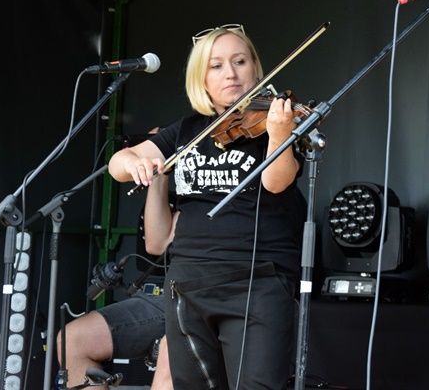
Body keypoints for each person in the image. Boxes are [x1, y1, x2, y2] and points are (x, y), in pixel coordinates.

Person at [108, 24, 305, 390]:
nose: (230, 73)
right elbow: (119, 163)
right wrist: (132, 162)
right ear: (201, 79)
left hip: (257, 281)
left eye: (239, 61)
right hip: (189, 284)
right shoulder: (186, 131)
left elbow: (276, 182)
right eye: (216, 66)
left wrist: (280, 135)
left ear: (256, 70)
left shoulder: (274, 125)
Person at [57, 164, 173, 389]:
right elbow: (155, 244)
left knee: (172, 355)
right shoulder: (177, 189)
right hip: (166, 293)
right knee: (71, 340)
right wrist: (160, 170)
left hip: (211, 293)